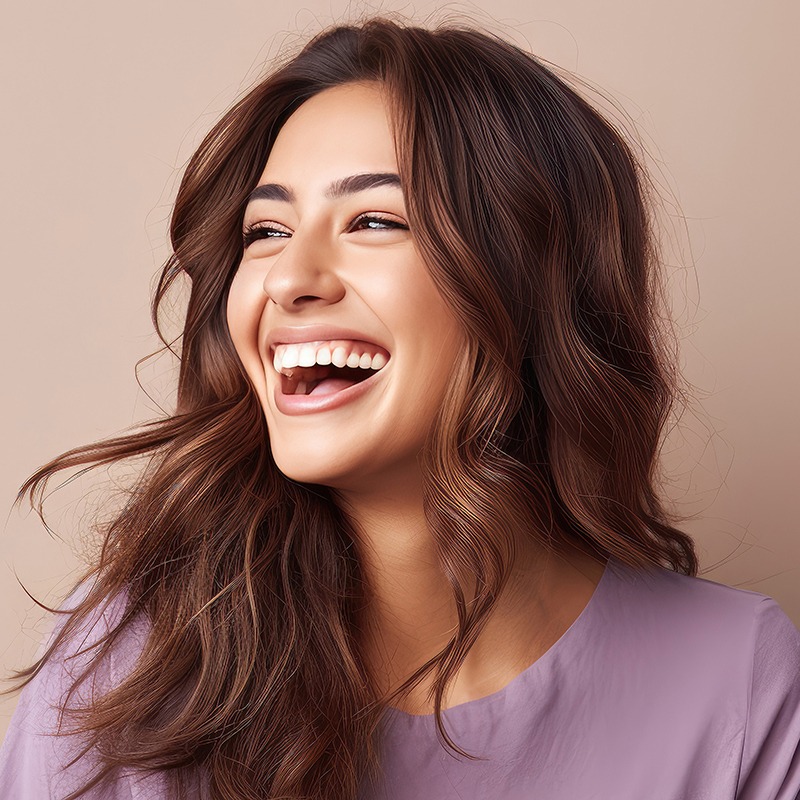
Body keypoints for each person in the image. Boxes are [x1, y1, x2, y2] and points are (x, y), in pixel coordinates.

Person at [1, 14, 798, 800]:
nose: (287, 278)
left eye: (374, 220)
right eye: (266, 230)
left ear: (530, 281)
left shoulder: (737, 680)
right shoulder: (128, 669)